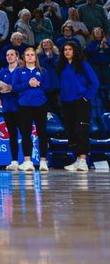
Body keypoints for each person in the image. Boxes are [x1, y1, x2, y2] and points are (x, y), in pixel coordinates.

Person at [57, 40, 98, 173]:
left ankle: (83, 160)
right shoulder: (62, 66)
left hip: (80, 102)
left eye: (70, 49)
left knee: (81, 131)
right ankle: (77, 159)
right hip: (66, 103)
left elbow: (95, 82)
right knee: (71, 132)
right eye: (65, 50)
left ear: (75, 51)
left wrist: (85, 97)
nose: (67, 52)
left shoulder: (83, 64)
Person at [11, 46, 48, 173]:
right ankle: (28, 161)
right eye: (27, 55)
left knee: (42, 133)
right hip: (24, 106)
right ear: (23, 57)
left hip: (40, 105)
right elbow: (14, 88)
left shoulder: (42, 71)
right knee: (26, 134)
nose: (30, 57)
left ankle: (43, 161)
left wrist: (39, 84)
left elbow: (49, 88)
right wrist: (28, 84)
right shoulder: (18, 71)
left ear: (36, 57)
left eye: (32, 54)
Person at [0, 48, 23, 170]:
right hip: (7, 107)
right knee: (12, 135)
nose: (9, 57)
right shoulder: (3, 72)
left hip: (20, 106)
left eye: (12, 54)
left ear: (17, 57)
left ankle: (28, 160)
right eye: (7, 55)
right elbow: (1, 92)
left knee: (25, 134)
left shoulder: (21, 71)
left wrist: (14, 88)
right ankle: (14, 160)